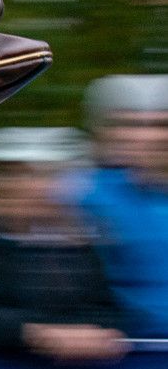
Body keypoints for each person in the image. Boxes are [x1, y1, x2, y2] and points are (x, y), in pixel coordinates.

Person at [0, 128, 127, 363]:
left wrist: (96, 334)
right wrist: (37, 334)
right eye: (3, 176)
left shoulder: (86, 240)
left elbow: (107, 309)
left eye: (21, 175)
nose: (5, 186)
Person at [71, 74, 168, 337]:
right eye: (128, 123)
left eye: (161, 124)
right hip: (123, 355)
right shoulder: (79, 193)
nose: (147, 136)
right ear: (102, 130)